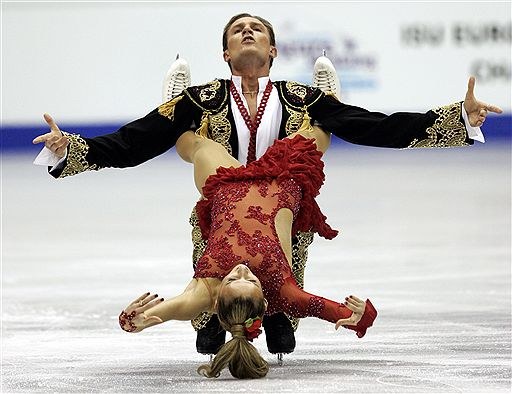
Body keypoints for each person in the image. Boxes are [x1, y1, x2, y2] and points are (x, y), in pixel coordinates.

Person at [33, 12, 502, 358]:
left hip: (280, 200)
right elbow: (134, 141)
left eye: (256, 28)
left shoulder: (303, 98)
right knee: (184, 138)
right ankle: (218, 318)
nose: (247, 32)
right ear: (226, 54)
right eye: (237, 31)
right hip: (225, 202)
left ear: (273, 51)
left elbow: (375, 126)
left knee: (321, 133)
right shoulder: (203, 99)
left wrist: (457, 120)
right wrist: (70, 149)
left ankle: (277, 314)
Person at [118, 124, 377, 379]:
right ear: (265, 301)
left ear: (216, 302)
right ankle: (328, 98)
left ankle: (173, 110)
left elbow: (153, 315)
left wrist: (133, 320)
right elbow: (338, 313)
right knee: (315, 134)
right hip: (283, 177)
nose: (242, 270)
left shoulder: (203, 294)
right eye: (252, 280)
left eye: (231, 279)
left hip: (227, 185)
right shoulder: (283, 292)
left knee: (198, 144)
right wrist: (361, 315)